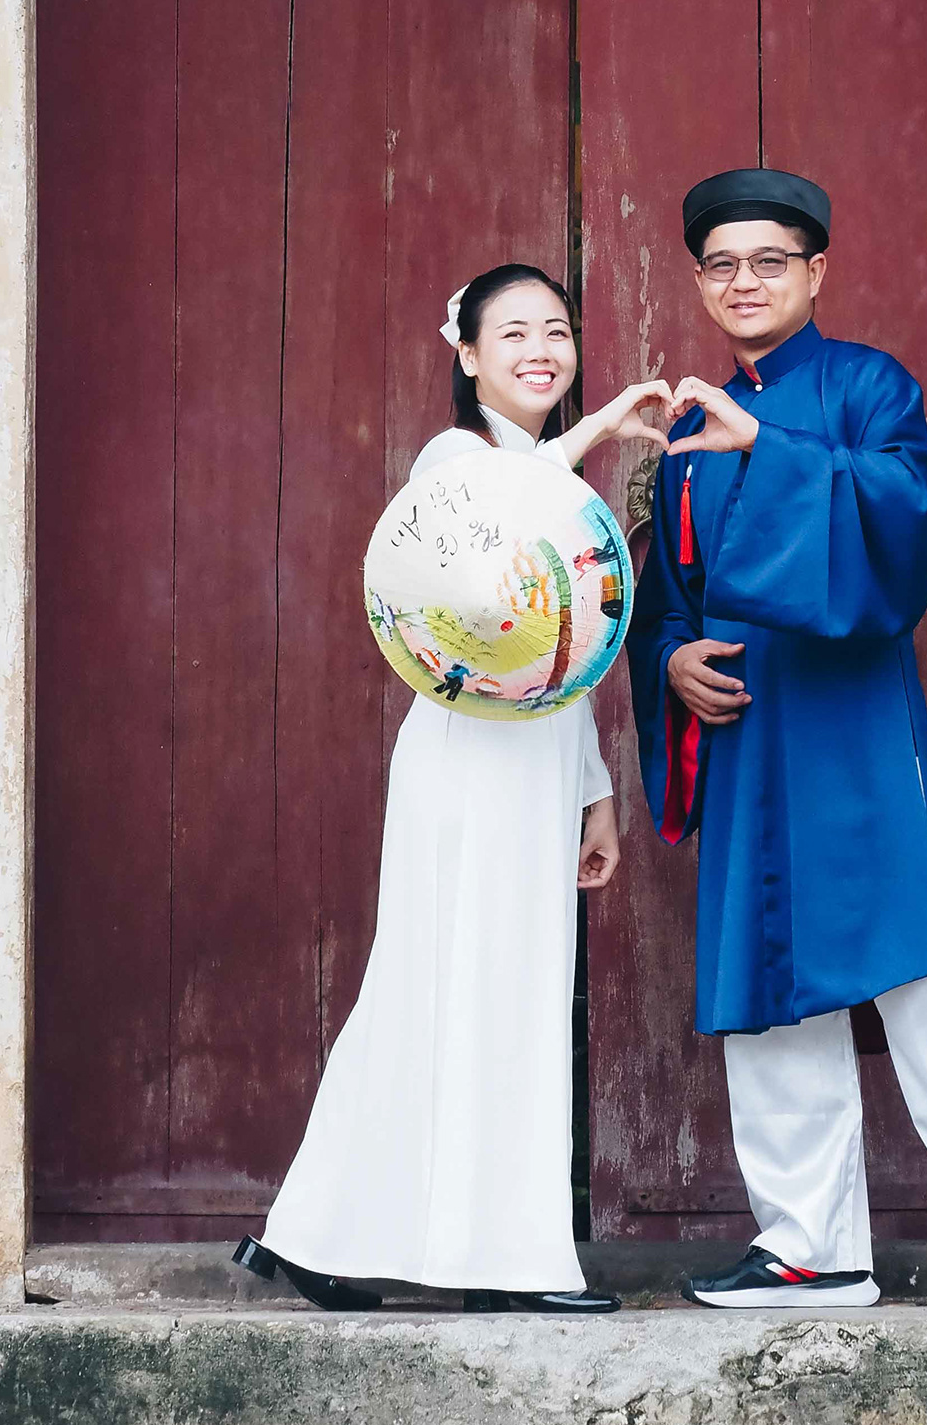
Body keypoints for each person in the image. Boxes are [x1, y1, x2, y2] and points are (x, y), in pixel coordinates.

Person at [625, 169, 927, 1317]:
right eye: (721, 265)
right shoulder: (683, 420)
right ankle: (811, 1247)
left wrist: (771, 454)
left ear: (817, 272)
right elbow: (666, 592)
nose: (744, 282)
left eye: (769, 262)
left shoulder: (868, 389)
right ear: (700, 281)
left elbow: (897, 533)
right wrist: (671, 663)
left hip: (845, 723)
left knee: (919, 964)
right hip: (747, 731)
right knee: (766, 986)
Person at [237, 264, 672, 1315]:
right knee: (446, 985)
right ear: (467, 355)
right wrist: (606, 425)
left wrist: (595, 793)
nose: (541, 351)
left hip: (534, 765)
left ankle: (343, 1237)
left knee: (506, 992)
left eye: (558, 332)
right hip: (465, 764)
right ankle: (496, 1259)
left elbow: (567, 657)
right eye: (513, 333)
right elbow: (496, 560)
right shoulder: (459, 460)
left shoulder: (543, 472)